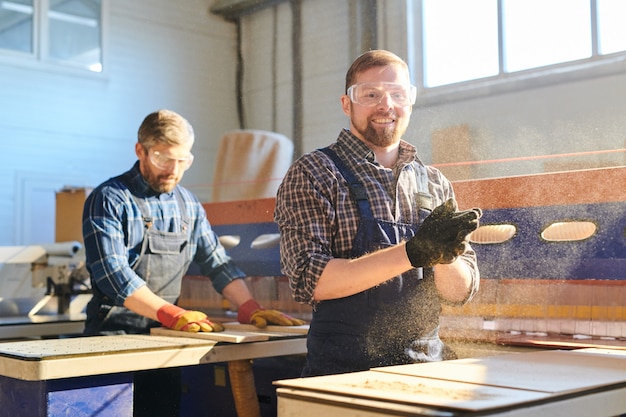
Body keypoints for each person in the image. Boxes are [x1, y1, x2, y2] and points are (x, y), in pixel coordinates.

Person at [274, 50, 482, 377]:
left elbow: (459, 294)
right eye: (370, 95)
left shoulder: (434, 182)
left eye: (397, 94)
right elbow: (310, 280)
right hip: (341, 377)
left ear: (409, 102)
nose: (386, 105)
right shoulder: (314, 173)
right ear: (347, 104)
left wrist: (446, 256)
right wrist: (412, 252)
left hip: (425, 372)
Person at [82, 109, 304, 414]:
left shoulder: (188, 205)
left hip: (165, 341)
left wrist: (249, 307)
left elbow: (217, 262)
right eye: (163, 159)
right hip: (111, 340)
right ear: (140, 151)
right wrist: (171, 313)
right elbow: (113, 274)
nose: (173, 170)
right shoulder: (109, 198)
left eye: (183, 161)